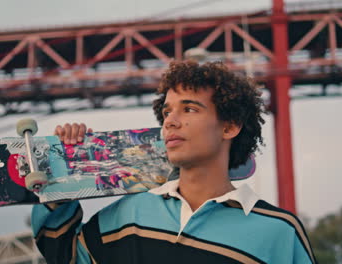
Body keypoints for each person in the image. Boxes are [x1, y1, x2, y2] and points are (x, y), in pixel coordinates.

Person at [31, 61, 316, 264]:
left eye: (189, 108)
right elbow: (64, 256)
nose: (170, 121)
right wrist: (63, 173)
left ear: (229, 127)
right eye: (167, 112)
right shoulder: (130, 217)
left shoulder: (278, 231)